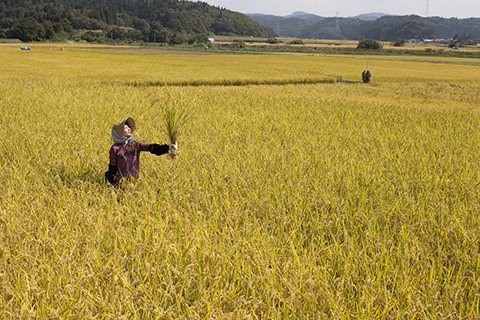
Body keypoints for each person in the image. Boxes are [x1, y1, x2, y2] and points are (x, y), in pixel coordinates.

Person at [105, 117, 176, 185]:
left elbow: (151, 148)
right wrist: (110, 183)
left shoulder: (135, 144)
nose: (129, 129)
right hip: (120, 182)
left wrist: (167, 148)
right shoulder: (115, 148)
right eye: (125, 128)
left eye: (129, 127)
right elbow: (112, 167)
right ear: (119, 132)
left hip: (134, 182)